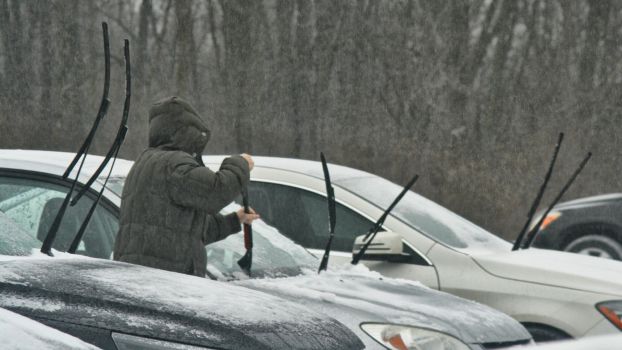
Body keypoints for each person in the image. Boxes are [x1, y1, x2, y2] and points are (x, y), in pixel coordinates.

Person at [113, 96, 259, 277]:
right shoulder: (173, 164)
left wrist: (235, 220)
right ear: (187, 133)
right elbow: (216, 192)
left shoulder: (146, 162)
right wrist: (240, 163)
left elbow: (188, 230)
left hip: (146, 279)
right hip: (165, 283)